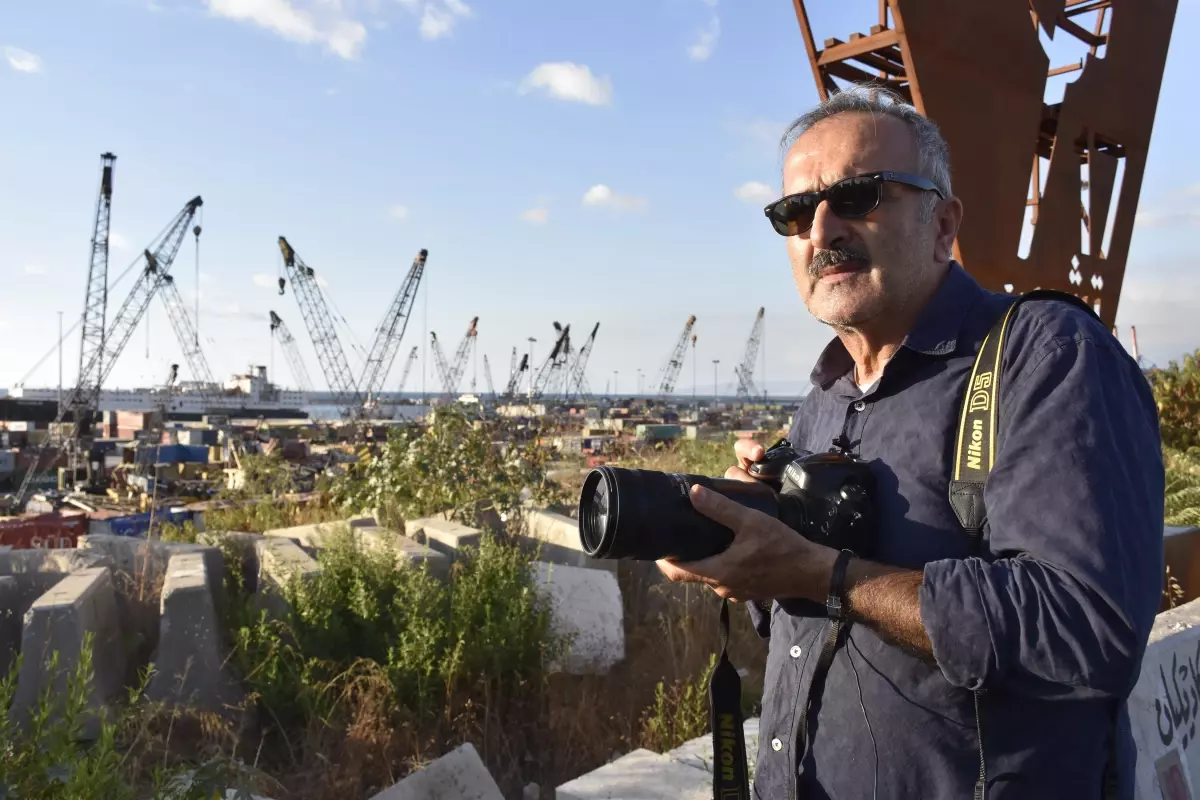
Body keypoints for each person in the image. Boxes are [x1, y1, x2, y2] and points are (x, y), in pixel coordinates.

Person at [656, 84, 1165, 799]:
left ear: (943, 223)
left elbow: (1085, 629)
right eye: (795, 212)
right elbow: (808, 625)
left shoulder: (1044, 357)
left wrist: (823, 573)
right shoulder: (822, 402)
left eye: (860, 195)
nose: (822, 229)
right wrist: (751, 549)